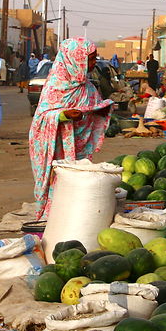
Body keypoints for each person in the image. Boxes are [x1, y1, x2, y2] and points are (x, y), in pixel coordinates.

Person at [29, 38, 114, 219]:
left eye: (94, 59)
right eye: (89, 59)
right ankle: (51, 219)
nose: (93, 64)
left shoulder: (88, 87)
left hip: (79, 149)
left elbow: (93, 108)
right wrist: (64, 115)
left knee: (77, 188)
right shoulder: (55, 86)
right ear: (75, 59)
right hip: (56, 149)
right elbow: (41, 119)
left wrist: (102, 109)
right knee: (58, 186)